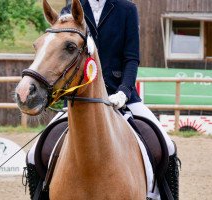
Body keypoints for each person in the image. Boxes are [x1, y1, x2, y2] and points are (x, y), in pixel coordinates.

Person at [26, 1, 180, 199]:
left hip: (122, 97)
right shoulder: (72, 8)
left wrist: (124, 92)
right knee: (33, 155)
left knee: (167, 146)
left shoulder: (127, 9)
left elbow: (131, 58)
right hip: (79, 99)